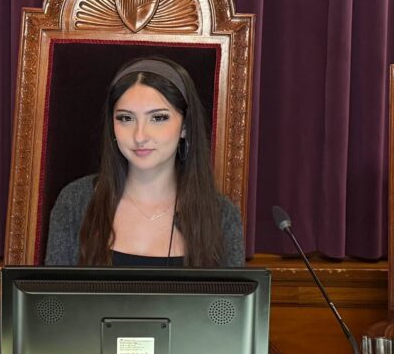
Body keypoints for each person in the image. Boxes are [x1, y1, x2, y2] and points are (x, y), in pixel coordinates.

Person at [44, 56, 244, 267]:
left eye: (158, 118)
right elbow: (53, 289)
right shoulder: (75, 202)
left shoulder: (223, 216)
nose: (140, 136)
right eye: (126, 118)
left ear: (185, 126)